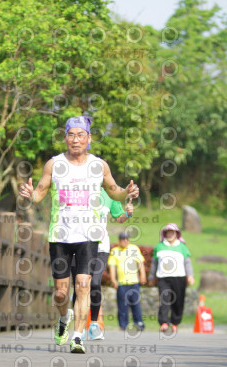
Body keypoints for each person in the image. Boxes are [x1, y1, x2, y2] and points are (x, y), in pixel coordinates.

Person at [19, 116, 139, 354]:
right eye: (71, 135)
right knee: (61, 293)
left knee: (83, 284)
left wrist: (127, 191)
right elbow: (40, 194)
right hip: (60, 235)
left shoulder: (99, 165)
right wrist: (29, 195)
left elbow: (114, 191)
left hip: (88, 235)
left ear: (89, 138)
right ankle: (64, 320)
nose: (76, 140)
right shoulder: (54, 165)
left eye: (80, 135)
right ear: (65, 138)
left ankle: (77, 337)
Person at [71, 194, 134, 340]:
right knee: (80, 285)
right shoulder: (79, 187)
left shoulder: (110, 194)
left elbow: (120, 218)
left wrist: (127, 213)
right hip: (78, 245)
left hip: (100, 247)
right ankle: (78, 328)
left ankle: (93, 324)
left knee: (94, 283)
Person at [148, 223, 194, 333]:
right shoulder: (159, 246)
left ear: (176, 234)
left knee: (178, 301)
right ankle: (164, 322)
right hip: (163, 277)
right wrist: (151, 276)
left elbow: (187, 262)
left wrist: (190, 275)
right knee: (165, 300)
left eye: (172, 232)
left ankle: (175, 322)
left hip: (179, 277)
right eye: (168, 232)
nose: (169, 234)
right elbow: (154, 263)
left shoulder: (182, 247)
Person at [108, 232, 146, 331]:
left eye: (126, 239)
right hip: (122, 283)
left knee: (136, 304)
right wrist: (113, 280)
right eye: (122, 239)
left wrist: (143, 275)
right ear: (119, 241)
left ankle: (138, 323)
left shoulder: (134, 248)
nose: (125, 241)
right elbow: (112, 266)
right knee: (122, 305)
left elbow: (140, 263)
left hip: (134, 282)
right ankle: (123, 325)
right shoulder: (115, 251)